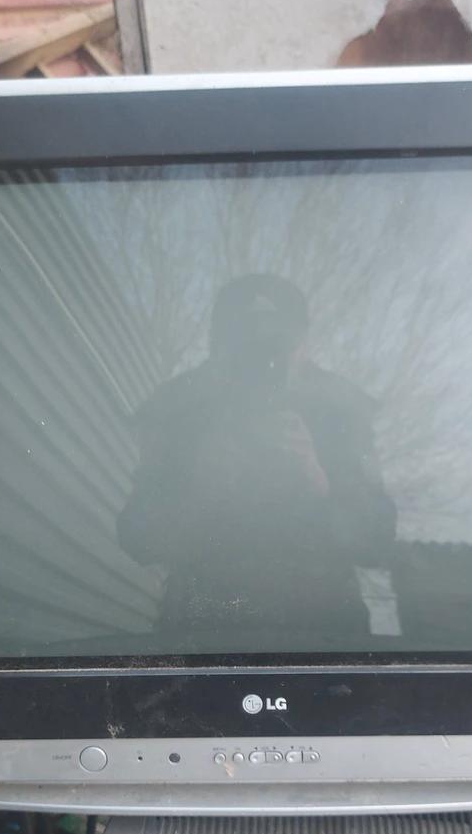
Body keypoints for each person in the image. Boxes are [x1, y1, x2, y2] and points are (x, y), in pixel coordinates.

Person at [117, 274, 396, 648]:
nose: (263, 362)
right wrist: (201, 486)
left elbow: (377, 542)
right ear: (217, 349)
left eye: (278, 345)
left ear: (303, 346)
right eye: (243, 345)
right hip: (203, 639)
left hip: (325, 640)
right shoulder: (177, 414)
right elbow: (138, 539)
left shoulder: (342, 413)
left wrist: (319, 481)